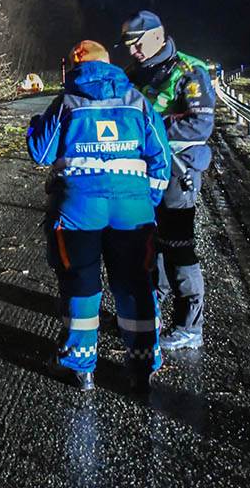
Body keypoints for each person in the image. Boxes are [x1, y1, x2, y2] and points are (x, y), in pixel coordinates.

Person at [28, 40, 171, 391]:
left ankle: (80, 365)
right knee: (136, 282)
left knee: (81, 283)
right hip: (132, 210)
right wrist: (145, 201)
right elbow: (162, 160)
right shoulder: (138, 102)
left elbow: (41, 152)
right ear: (111, 65)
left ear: (74, 67)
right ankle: (142, 364)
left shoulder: (67, 102)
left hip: (78, 210)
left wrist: (35, 124)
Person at [120, 10, 216, 350]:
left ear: (158, 36)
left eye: (137, 44)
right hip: (145, 170)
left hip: (180, 170)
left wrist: (152, 129)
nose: (133, 51)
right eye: (128, 45)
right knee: (150, 241)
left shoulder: (189, 72)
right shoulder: (134, 73)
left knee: (178, 245)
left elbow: (200, 125)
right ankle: (153, 308)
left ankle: (191, 325)